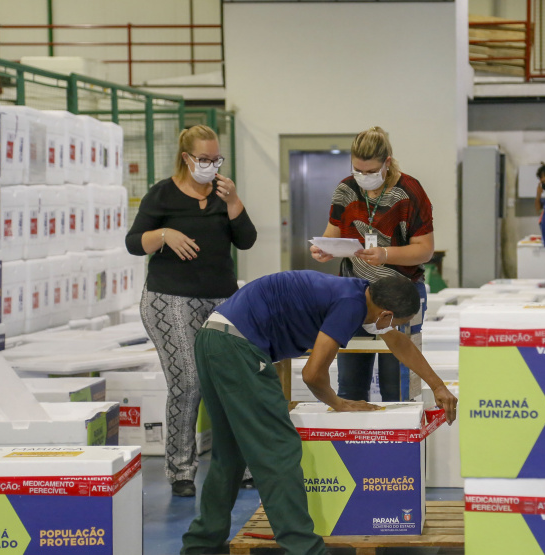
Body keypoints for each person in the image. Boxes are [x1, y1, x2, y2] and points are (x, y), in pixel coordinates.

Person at [180, 271, 458, 555]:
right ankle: (305, 549)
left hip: (213, 339)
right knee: (278, 448)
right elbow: (313, 374)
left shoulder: (359, 293)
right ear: (386, 314)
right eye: (396, 323)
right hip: (238, 348)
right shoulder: (350, 305)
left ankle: (201, 543)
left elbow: (398, 343)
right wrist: (338, 402)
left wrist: (438, 385)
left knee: (229, 452)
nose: (393, 329)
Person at [125, 125, 257, 497]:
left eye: (216, 159)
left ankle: (241, 466)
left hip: (221, 299)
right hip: (170, 299)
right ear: (186, 158)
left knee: (233, 381)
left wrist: (233, 202)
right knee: (189, 382)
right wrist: (165, 234)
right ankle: (181, 470)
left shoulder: (222, 194)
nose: (211, 166)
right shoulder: (162, 195)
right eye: (204, 160)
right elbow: (134, 243)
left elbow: (246, 241)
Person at [310, 127, 434, 402]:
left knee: (397, 388)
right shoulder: (345, 188)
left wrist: (386, 255)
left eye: (370, 171)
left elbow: (425, 250)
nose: (363, 177)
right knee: (350, 386)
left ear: (387, 163)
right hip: (355, 295)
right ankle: (355, 439)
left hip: (398, 295)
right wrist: (325, 249)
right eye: (357, 170)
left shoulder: (409, 192)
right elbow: (333, 232)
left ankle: (398, 440)